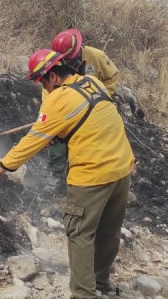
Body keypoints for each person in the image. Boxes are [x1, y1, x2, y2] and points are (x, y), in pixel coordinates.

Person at [0, 49, 135, 299]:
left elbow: (35, 139)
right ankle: (100, 284)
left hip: (92, 174)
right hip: (122, 168)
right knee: (108, 230)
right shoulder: (92, 83)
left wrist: (4, 166)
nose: (44, 88)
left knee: (79, 232)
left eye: (43, 82)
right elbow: (85, 119)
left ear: (53, 76)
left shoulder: (58, 100)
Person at [45, 29, 121, 185]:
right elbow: (48, 92)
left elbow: (112, 76)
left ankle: (94, 174)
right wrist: (48, 120)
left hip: (95, 105)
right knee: (56, 137)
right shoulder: (56, 66)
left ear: (78, 49)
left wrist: (104, 95)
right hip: (67, 107)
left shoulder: (97, 57)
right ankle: (56, 174)